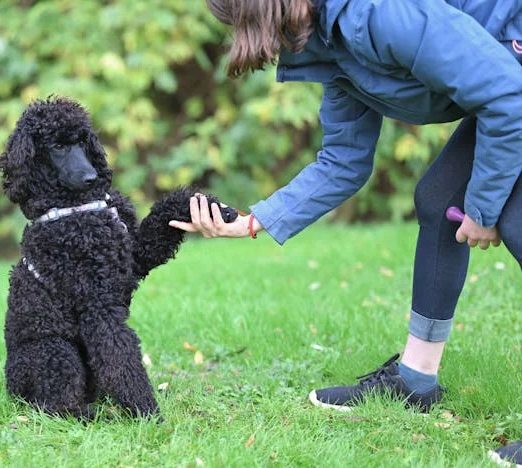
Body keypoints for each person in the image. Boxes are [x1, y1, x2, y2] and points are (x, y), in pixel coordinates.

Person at [169, 0, 522, 465]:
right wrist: (253, 221)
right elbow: (343, 161)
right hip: (508, 84)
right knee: (440, 203)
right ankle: (416, 382)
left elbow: (507, 97)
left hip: (512, 80)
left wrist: (483, 207)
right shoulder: (329, 43)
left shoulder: (374, 13)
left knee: (514, 222)